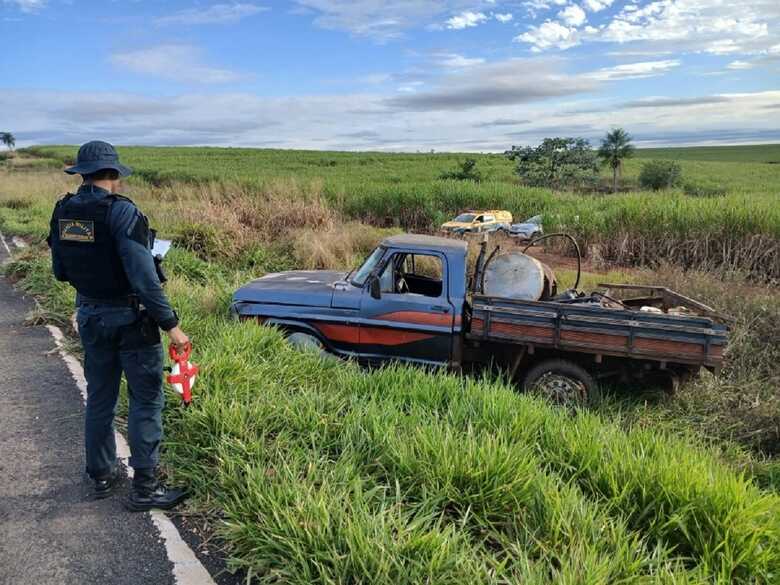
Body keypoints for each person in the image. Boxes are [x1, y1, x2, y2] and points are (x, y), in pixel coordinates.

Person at [48, 140, 189, 511]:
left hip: (91, 317)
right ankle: (145, 488)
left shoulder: (63, 211)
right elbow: (145, 279)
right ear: (114, 176)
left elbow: (60, 272)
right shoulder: (122, 213)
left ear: (82, 174)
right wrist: (171, 325)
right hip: (131, 320)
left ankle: (101, 474)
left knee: (100, 398)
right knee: (145, 401)